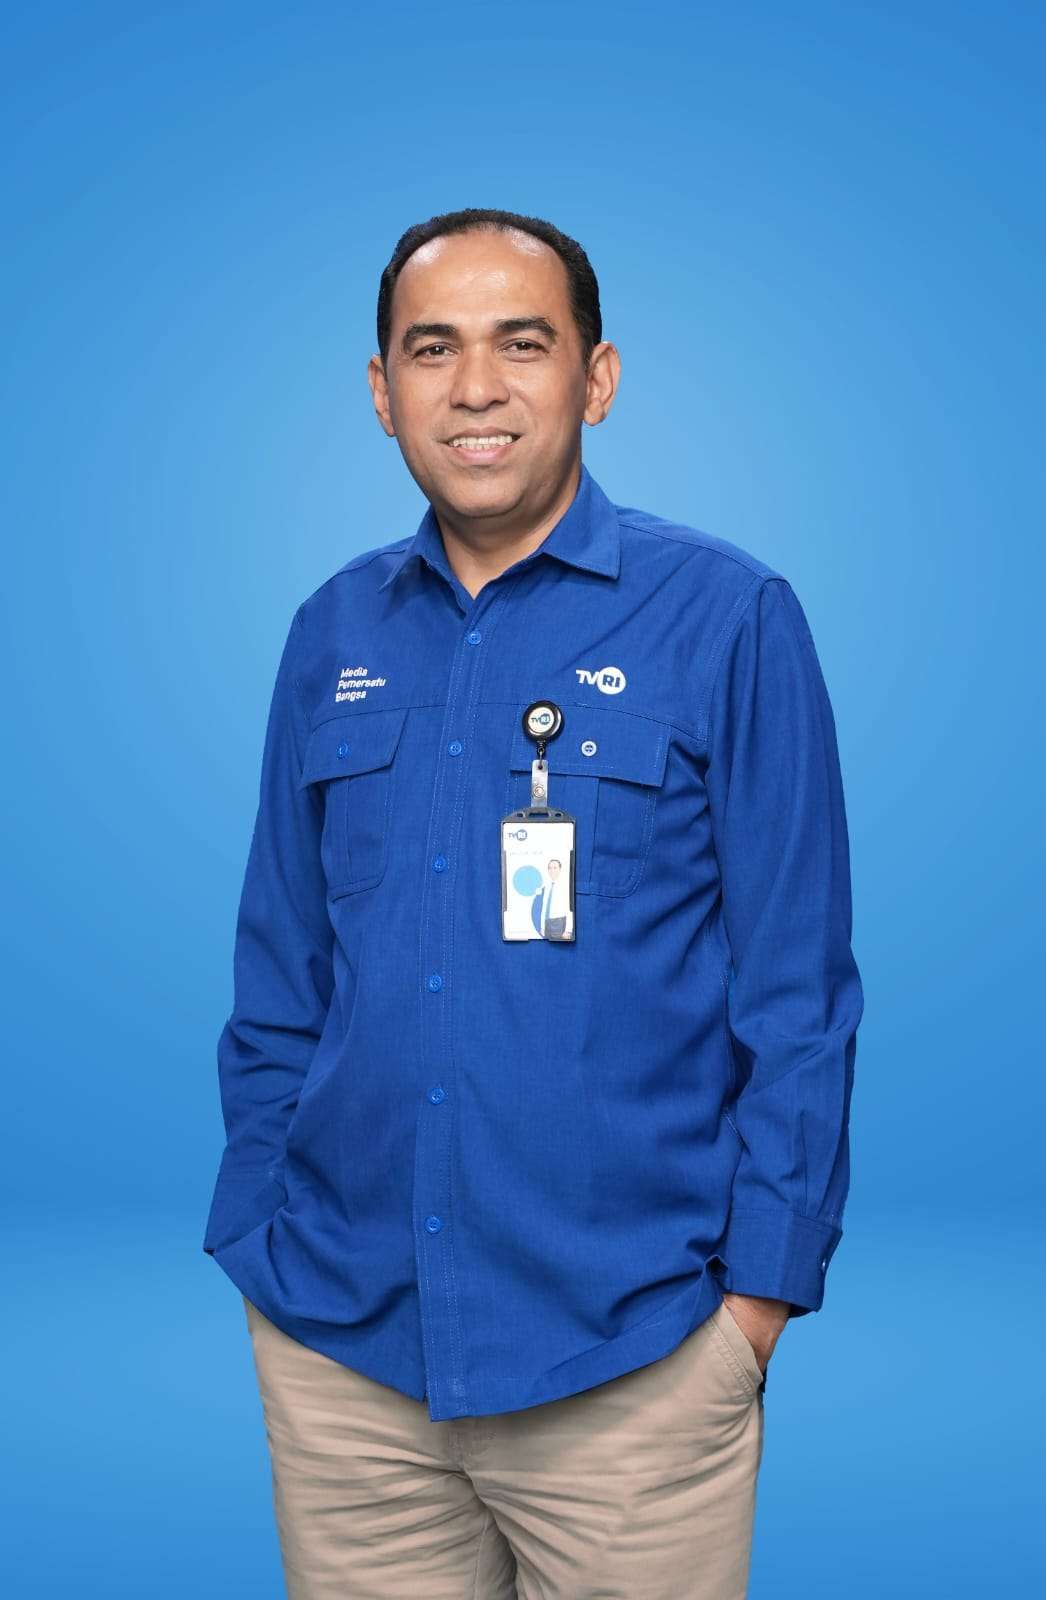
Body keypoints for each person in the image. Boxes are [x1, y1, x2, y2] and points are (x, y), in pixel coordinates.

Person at [202, 207, 864, 1599]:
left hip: (632, 1362)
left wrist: (755, 1306)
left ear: (595, 378)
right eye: (431, 348)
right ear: (381, 391)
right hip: (345, 1356)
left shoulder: (726, 617)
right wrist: (256, 1230)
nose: (475, 388)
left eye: (521, 343)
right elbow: (281, 970)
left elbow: (798, 994)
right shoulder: (332, 633)